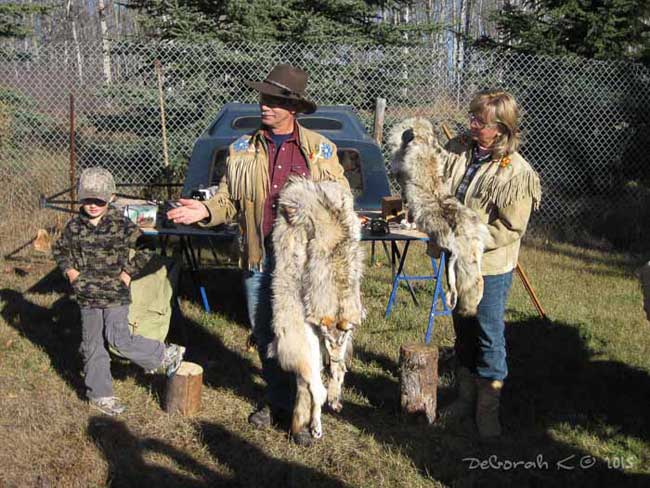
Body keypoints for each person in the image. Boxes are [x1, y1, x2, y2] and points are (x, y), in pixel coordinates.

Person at [167, 64, 349, 446]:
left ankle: (306, 410)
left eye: (274, 101)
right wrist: (205, 211)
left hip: (304, 262)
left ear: (293, 108)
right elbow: (228, 198)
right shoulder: (242, 149)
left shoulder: (321, 150)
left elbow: (339, 200)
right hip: (258, 254)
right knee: (265, 331)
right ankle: (278, 400)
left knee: (308, 336)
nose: (264, 106)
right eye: (264, 99)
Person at [433, 90, 541, 438]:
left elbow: (511, 228)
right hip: (455, 260)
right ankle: (465, 399)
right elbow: (437, 186)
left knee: (488, 334)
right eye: (472, 117)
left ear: (501, 129)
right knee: (463, 328)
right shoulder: (459, 150)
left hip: (488, 267)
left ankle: (487, 412)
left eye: (480, 121)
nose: (471, 125)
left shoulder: (516, 172)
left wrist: (470, 242)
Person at [53, 167, 186, 416]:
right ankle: (100, 395)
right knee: (93, 344)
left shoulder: (120, 223)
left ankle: (164, 354)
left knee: (118, 339)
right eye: (87, 199)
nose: (92, 205)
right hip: (87, 297)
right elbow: (60, 250)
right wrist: (71, 274)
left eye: (99, 200)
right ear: (80, 198)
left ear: (111, 198)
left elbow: (147, 244)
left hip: (115, 294)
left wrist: (127, 273)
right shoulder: (74, 226)